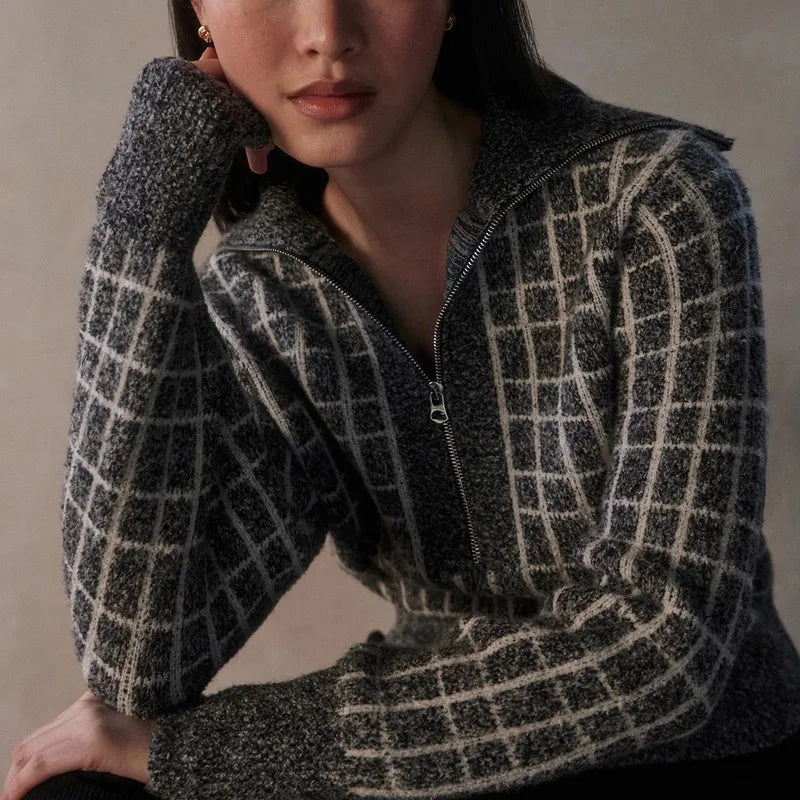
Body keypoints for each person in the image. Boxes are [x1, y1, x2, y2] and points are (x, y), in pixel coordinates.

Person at [11, 1, 800, 798]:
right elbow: (138, 665)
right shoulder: (266, 296)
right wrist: (142, 224)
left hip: (691, 756)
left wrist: (206, 753)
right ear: (201, 12)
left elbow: (667, 642)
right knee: (77, 790)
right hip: (434, 758)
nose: (327, 34)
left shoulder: (656, 198)